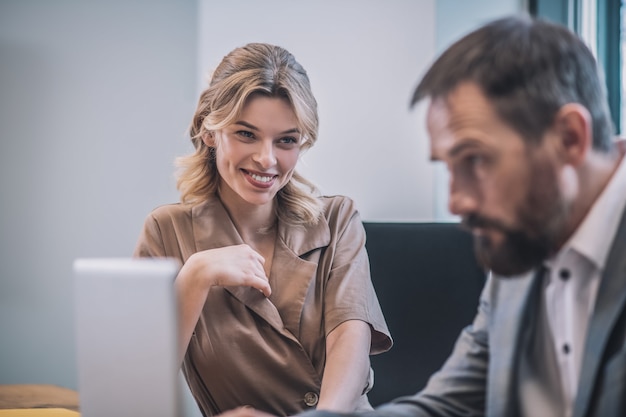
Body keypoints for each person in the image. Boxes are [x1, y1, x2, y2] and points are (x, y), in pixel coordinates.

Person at [218, 14, 626, 417]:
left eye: (475, 160)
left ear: (570, 138)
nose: (455, 202)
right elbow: (447, 405)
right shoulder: (524, 250)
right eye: (448, 167)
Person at [133, 43, 392, 416]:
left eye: (286, 140)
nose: (267, 159)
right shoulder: (166, 231)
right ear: (211, 130)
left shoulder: (336, 219)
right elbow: (139, 389)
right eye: (246, 134)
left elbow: (349, 342)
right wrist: (195, 275)